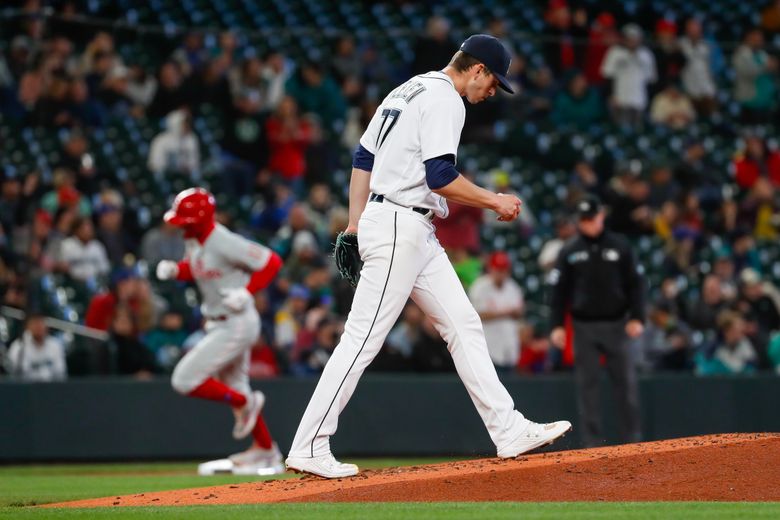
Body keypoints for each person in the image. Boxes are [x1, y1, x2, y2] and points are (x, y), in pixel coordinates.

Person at [285, 34, 571, 479]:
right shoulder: (446, 99)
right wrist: (493, 201)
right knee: (362, 339)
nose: (493, 91)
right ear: (476, 69)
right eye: (493, 81)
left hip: (407, 226)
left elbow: (364, 157)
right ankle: (309, 443)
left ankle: (508, 429)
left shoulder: (408, 88)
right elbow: (439, 176)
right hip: (401, 223)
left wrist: (356, 223)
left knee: (463, 323)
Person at [155, 188, 285, 474]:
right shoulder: (195, 240)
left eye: (187, 219)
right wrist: (178, 271)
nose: (182, 225)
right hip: (221, 321)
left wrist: (248, 291)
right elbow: (200, 268)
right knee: (235, 385)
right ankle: (266, 451)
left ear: (201, 219)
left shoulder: (222, 240)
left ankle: (244, 403)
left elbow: (271, 261)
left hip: (236, 321)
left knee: (185, 378)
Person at [549, 195, 645, 447]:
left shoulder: (620, 246)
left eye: (591, 218)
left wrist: (637, 316)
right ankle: (593, 445)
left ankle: (632, 441)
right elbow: (559, 291)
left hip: (617, 324)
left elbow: (636, 284)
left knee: (626, 385)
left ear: (601, 216)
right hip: (584, 327)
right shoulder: (570, 250)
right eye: (583, 220)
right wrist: (557, 325)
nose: (588, 224)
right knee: (587, 388)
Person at [468, 251, 525, 371]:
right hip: (487, 349)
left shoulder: (513, 287)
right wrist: (505, 313)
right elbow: (476, 315)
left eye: (503, 270)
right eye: (497, 269)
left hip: (509, 348)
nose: (500, 273)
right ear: (490, 269)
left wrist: (509, 313)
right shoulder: (479, 287)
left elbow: (520, 312)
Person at [6, 313, 67, 381]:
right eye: (34, 323)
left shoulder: (55, 345)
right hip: (25, 388)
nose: (38, 326)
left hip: (51, 388)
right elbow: (13, 374)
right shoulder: (18, 346)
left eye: (41, 323)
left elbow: (60, 373)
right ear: (28, 326)